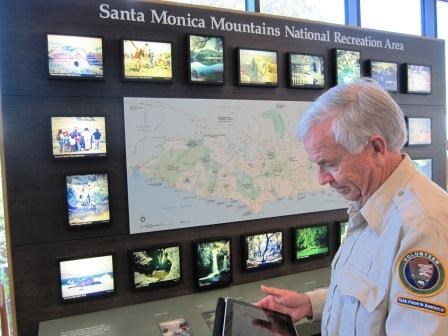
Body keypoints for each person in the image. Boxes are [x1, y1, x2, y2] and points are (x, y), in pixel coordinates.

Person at [256, 78, 448, 335]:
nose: (322, 179)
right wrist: (310, 304)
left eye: (330, 164)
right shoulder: (371, 204)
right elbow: (376, 295)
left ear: (376, 149)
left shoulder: (422, 228)